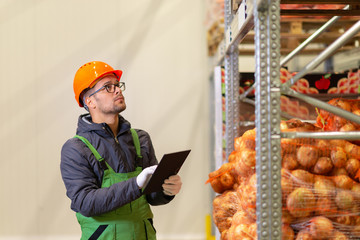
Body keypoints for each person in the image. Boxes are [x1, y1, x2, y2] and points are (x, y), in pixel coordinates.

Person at [60, 61, 182, 240]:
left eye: (117, 85)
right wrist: (135, 184)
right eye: (107, 87)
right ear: (90, 101)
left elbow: (151, 196)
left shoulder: (140, 139)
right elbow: (85, 202)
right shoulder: (76, 148)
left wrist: (166, 190)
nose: (117, 90)